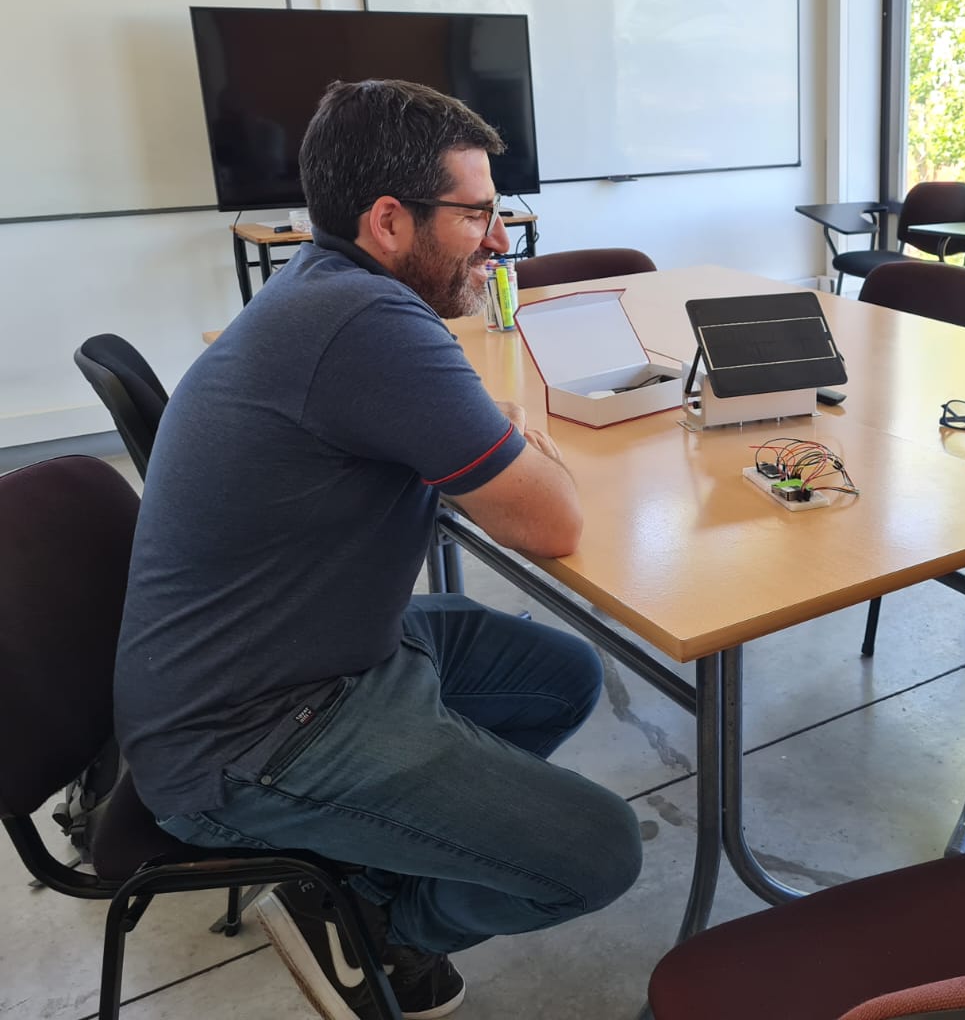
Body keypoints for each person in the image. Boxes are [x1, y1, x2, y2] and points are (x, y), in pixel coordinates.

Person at [115, 80, 642, 1020]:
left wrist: (499, 436)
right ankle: (374, 923)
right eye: (477, 213)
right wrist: (528, 444)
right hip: (251, 734)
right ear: (390, 220)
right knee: (600, 852)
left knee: (559, 673)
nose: (498, 239)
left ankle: (371, 849)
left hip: (316, 654)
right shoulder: (367, 325)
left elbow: (484, 453)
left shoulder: (326, 290)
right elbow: (552, 521)